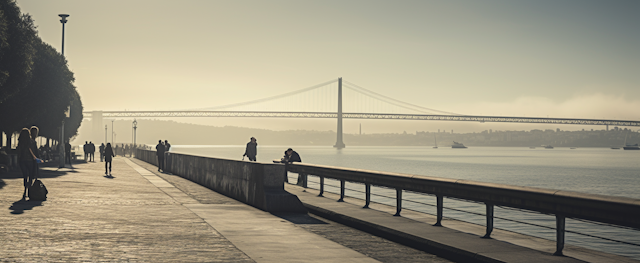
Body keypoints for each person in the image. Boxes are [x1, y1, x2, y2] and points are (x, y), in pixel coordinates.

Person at [17, 128, 38, 200]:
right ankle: (29, 190)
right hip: (30, 161)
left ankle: (25, 191)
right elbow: (35, 152)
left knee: (25, 176)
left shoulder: (20, 142)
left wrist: (18, 160)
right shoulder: (32, 142)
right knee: (31, 175)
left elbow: (19, 152)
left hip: (22, 161)